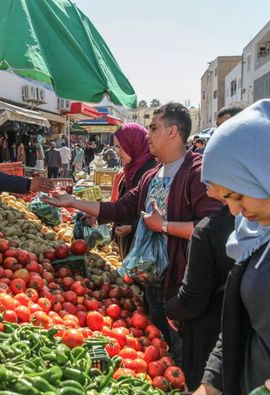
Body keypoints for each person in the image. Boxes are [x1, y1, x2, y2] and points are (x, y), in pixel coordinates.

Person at [43, 103, 222, 359]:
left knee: (186, 352)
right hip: (153, 281)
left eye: (153, 127)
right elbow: (118, 209)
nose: (147, 134)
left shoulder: (197, 171)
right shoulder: (152, 175)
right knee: (162, 346)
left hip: (184, 284)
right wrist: (72, 202)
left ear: (173, 132)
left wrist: (165, 226)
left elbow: (213, 227)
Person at [180, 99, 270, 395]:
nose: (234, 211)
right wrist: (207, 389)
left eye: (236, 196)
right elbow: (242, 323)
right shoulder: (257, 238)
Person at [165, 104, 242, 395]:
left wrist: (168, 308)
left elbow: (195, 299)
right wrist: (208, 388)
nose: (237, 212)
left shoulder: (211, 231)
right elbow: (238, 318)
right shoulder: (249, 233)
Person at [110, 123, 156, 259]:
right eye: (116, 146)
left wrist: (133, 227)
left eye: (120, 146)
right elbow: (123, 204)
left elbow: (157, 212)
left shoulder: (149, 172)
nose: (117, 151)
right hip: (129, 246)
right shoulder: (130, 170)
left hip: (143, 252)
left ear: (134, 143)